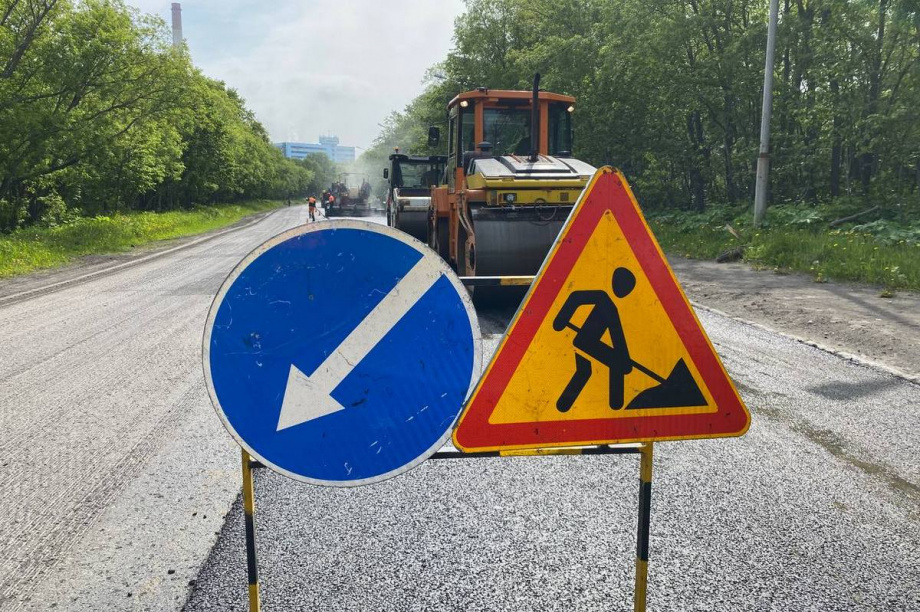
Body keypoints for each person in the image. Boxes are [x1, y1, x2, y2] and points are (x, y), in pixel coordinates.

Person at [552, 267, 637, 412]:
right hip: (585, 341)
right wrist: (561, 320)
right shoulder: (603, 298)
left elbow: (617, 335)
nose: (625, 292)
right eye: (625, 287)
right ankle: (616, 403)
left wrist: (624, 358)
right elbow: (575, 298)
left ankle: (563, 406)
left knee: (585, 371)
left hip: (588, 342)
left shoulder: (611, 307)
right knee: (610, 364)